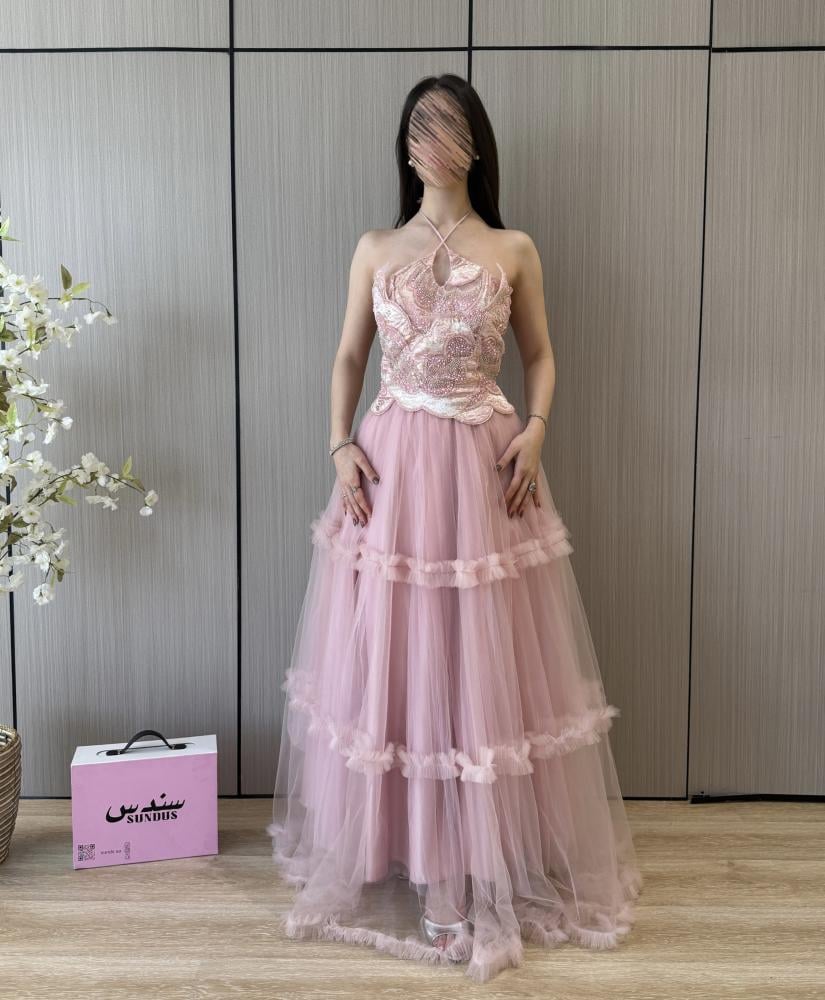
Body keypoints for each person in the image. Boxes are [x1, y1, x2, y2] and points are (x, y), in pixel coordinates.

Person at [267, 73, 643, 984]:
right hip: (393, 470)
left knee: (480, 664)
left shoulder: (512, 248)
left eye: (448, 125)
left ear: (476, 142)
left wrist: (538, 430)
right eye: (419, 126)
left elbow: (540, 356)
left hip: (483, 468)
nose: (432, 141)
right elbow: (348, 354)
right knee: (400, 662)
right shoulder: (374, 247)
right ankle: (421, 857)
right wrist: (337, 444)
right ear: (404, 145)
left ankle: (474, 863)